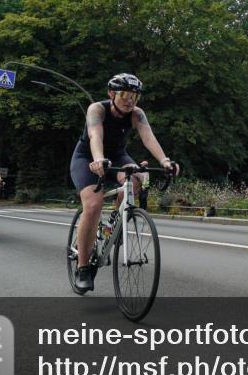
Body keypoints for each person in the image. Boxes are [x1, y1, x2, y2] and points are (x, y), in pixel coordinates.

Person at [70, 74, 178, 292]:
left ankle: (113, 223)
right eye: (126, 95)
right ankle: (82, 267)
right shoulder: (97, 109)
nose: (130, 101)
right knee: (92, 205)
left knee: (136, 180)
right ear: (112, 94)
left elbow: (148, 138)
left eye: (135, 97)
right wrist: (98, 158)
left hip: (118, 156)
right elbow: (95, 135)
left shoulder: (137, 114)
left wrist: (165, 161)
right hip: (88, 157)